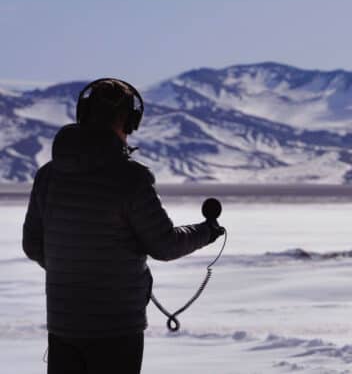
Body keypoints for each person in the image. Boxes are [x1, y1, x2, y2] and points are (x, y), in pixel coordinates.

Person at [22, 78, 225, 374]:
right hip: (116, 329)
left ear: (83, 113)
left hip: (64, 326)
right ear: (129, 122)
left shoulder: (48, 176)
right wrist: (207, 231)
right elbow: (165, 245)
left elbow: (33, 245)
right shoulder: (130, 178)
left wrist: (71, 268)